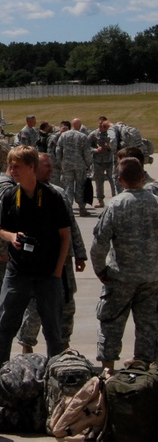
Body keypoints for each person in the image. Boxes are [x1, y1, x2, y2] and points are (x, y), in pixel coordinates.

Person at [0, 145, 71, 373]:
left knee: (54, 334)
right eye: (11, 166)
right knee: (3, 330)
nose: (12, 171)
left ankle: (55, 378)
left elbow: (65, 237)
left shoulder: (52, 197)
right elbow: (1, 229)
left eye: (17, 166)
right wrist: (12, 237)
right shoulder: (9, 196)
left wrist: (57, 272)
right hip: (18, 273)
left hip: (47, 275)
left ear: (31, 167)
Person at [90, 157, 158, 370]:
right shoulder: (155, 202)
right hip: (151, 277)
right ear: (142, 176)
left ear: (120, 180)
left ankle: (108, 369)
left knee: (111, 322)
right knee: (148, 325)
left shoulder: (117, 204)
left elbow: (99, 242)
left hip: (121, 277)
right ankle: (143, 369)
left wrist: (100, 269)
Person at [55, 119, 93, 216]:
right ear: (80, 126)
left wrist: (59, 162)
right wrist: (88, 164)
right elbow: (87, 152)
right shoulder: (82, 136)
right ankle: (81, 208)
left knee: (68, 186)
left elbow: (58, 149)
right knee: (80, 185)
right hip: (79, 165)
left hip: (67, 164)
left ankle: (68, 209)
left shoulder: (63, 135)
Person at [88, 120, 117, 207]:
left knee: (113, 180)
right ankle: (100, 200)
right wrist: (95, 150)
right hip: (98, 161)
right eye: (99, 125)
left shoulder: (111, 134)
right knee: (98, 182)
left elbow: (118, 145)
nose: (101, 127)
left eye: (103, 125)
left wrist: (110, 147)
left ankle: (115, 199)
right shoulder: (94, 134)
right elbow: (86, 145)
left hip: (110, 161)